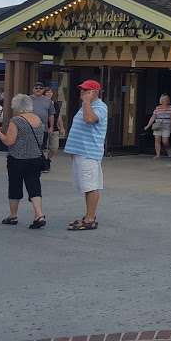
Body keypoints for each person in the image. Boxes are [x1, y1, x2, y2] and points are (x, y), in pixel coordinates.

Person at [0, 94, 47, 229]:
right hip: (35, 158)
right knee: (34, 185)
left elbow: (9, 141)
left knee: (15, 186)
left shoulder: (16, 120)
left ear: (16, 106)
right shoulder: (38, 119)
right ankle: (39, 214)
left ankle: (13, 216)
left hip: (17, 159)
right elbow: (41, 140)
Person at [64, 79, 108, 231]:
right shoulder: (87, 105)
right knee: (86, 186)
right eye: (82, 90)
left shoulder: (100, 107)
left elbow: (89, 119)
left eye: (86, 90)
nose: (82, 93)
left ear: (95, 92)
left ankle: (90, 219)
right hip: (81, 152)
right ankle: (88, 216)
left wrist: (87, 102)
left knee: (91, 186)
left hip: (89, 153)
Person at [31, 82, 56, 172]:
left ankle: (43, 165)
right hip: (30, 128)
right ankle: (37, 165)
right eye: (36, 88)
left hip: (43, 128)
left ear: (43, 90)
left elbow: (51, 115)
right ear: (33, 89)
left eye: (40, 88)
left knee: (42, 147)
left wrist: (51, 127)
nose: (38, 89)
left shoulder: (48, 101)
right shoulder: (28, 99)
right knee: (32, 147)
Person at [144, 94, 171, 158]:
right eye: (164, 99)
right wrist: (148, 126)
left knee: (165, 141)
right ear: (161, 100)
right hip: (158, 125)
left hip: (167, 125)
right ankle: (158, 155)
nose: (166, 100)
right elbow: (153, 117)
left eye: (167, 99)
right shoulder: (157, 108)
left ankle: (169, 150)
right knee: (157, 140)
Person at [44, 87, 64, 159]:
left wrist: (61, 127)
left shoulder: (55, 104)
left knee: (54, 147)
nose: (49, 93)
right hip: (44, 128)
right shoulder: (42, 104)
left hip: (55, 128)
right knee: (44, 148)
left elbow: (58, 116)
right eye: (47, 92)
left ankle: (48, 159)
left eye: (51, 92)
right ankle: (44, 163)